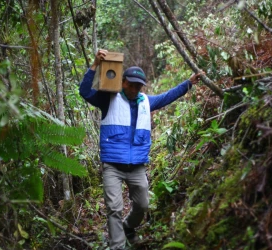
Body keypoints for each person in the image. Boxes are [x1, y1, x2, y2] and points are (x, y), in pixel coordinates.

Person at [79, 49, 203, 250]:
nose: (135, 88)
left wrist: (188, 83)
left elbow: (168, 97)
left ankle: (128, 227)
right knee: (114, 208)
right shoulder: (108, 99)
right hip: (112, 164)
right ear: (123, 81)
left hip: (137, 165)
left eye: (139, 86)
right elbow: (84, 92)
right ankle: (117, 246)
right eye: (132, 84)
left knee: (143, 205)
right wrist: (94, 65)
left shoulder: (146, 101)